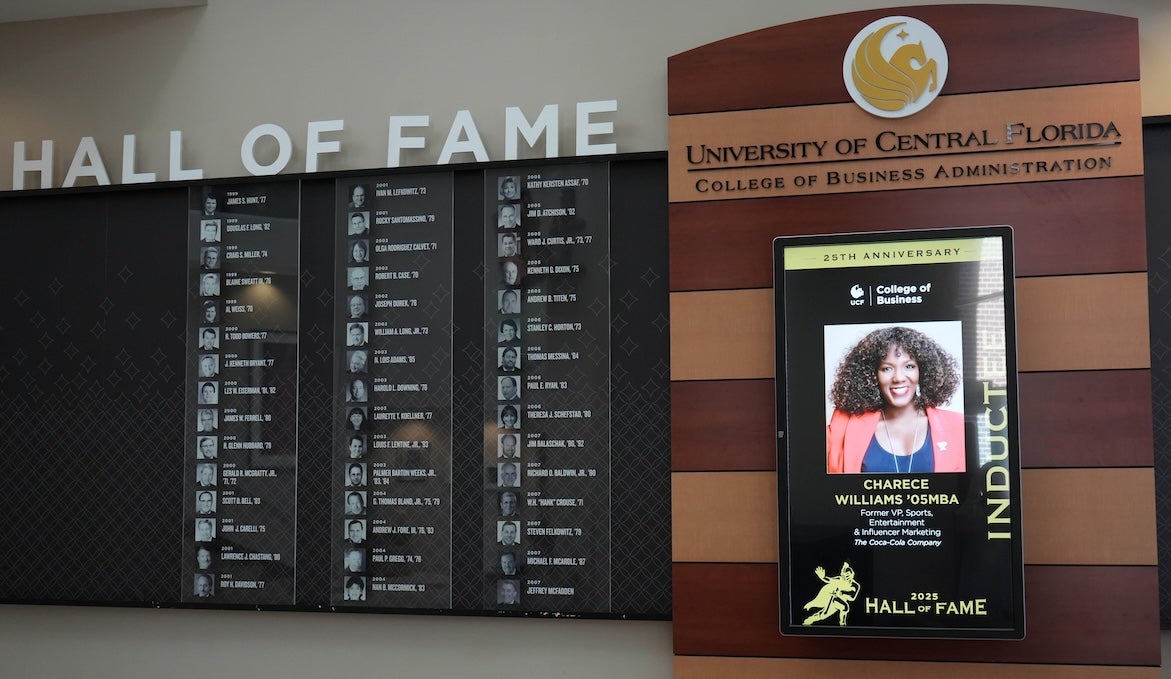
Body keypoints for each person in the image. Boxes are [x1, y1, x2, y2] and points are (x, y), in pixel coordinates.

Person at [826, 326, 964, 474]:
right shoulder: (842, 427)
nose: (898, 378)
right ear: (871, 376)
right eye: (887, 368)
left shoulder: (957, 426)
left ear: (922, 371)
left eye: (909, 366)